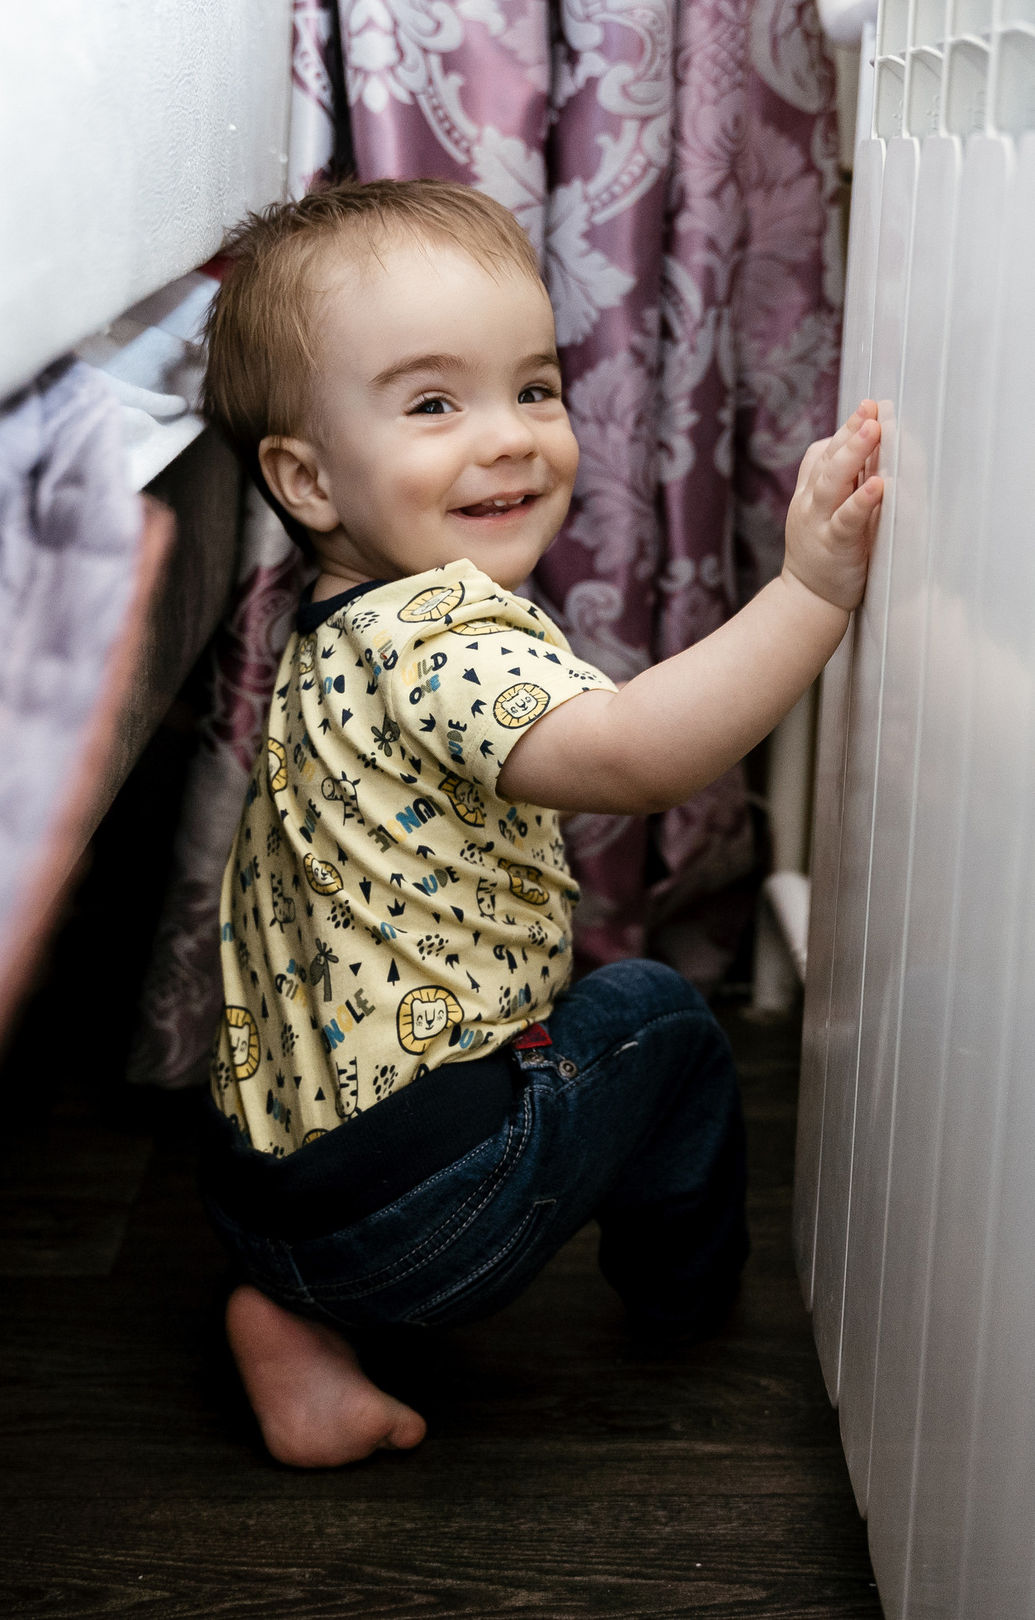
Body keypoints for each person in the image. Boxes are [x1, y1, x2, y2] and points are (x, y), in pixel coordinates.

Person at [194, 178, 884, 1467]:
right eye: (434, 403)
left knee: (523, 1066)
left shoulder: (324, 637)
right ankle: (688, 1310)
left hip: (269, 1199)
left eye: (536, 387)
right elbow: (626, 756)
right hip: (432, 1215)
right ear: (306, 476)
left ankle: (292, 1323)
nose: (509, 438)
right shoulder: (438, 631)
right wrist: (808, 593)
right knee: (664, 1025)